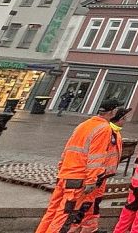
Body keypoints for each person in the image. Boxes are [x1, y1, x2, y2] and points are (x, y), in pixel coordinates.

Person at [35, 99, 125, 233]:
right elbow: (96, 158)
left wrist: (62, 169)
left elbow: (67, 150)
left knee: (52, 212)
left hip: (66, 174)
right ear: (113, 111)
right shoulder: (104, 129)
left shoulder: (84, 125)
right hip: (78, 179)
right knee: (64, 217)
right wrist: (91, 181)